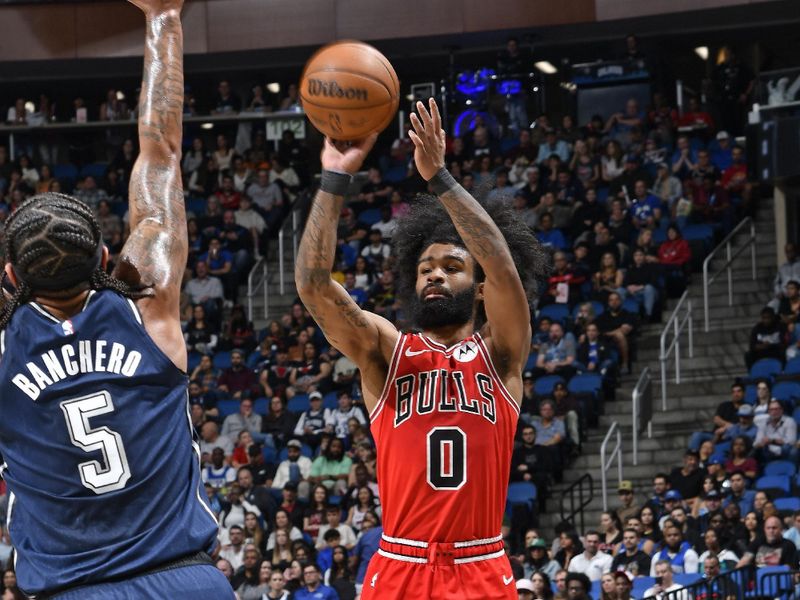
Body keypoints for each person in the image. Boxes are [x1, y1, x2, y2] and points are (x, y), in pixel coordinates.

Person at [0, 2, 233, 598]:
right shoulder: (146, 304)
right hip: (185, 580)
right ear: (106, 259)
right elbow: (161, 154)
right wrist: (164, 17)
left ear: (9, 274)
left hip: (71, 589)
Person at [295, 98, 547, 600]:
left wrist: (439, 178)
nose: (434, 272)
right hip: (400, 562)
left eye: (452, 267)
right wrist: (333, 180)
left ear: (478, 288)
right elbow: (314, 285)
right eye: (426, 267)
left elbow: (501, 268)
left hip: (479, 562)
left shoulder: (501, 354)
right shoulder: (386, 350)